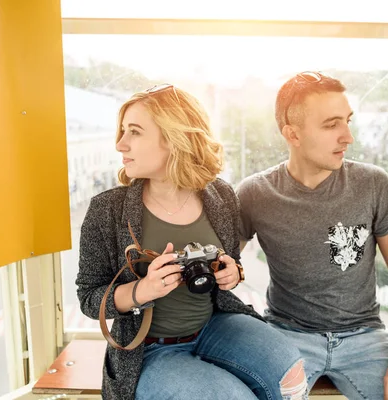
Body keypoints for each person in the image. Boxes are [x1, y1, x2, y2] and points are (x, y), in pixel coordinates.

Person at [76, 84, 307, 400]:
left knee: (290, 372)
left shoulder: (220, 196)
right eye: (123, 132)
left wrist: (231, 273)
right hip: (152, 350)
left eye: (134, 132)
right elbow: (89, 298)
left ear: (173, 139)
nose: (120, 144)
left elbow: (229, 263)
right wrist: (142, 290)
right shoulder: (107, 210)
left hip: (215, 326)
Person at [237, 71, 388, 399]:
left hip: (366, 339)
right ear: (293, 134)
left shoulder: (373, 184)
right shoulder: (254, 193)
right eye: (332, 125)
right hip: (287, 337)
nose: (348, 137)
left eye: (347, 121)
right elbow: (222, 268)